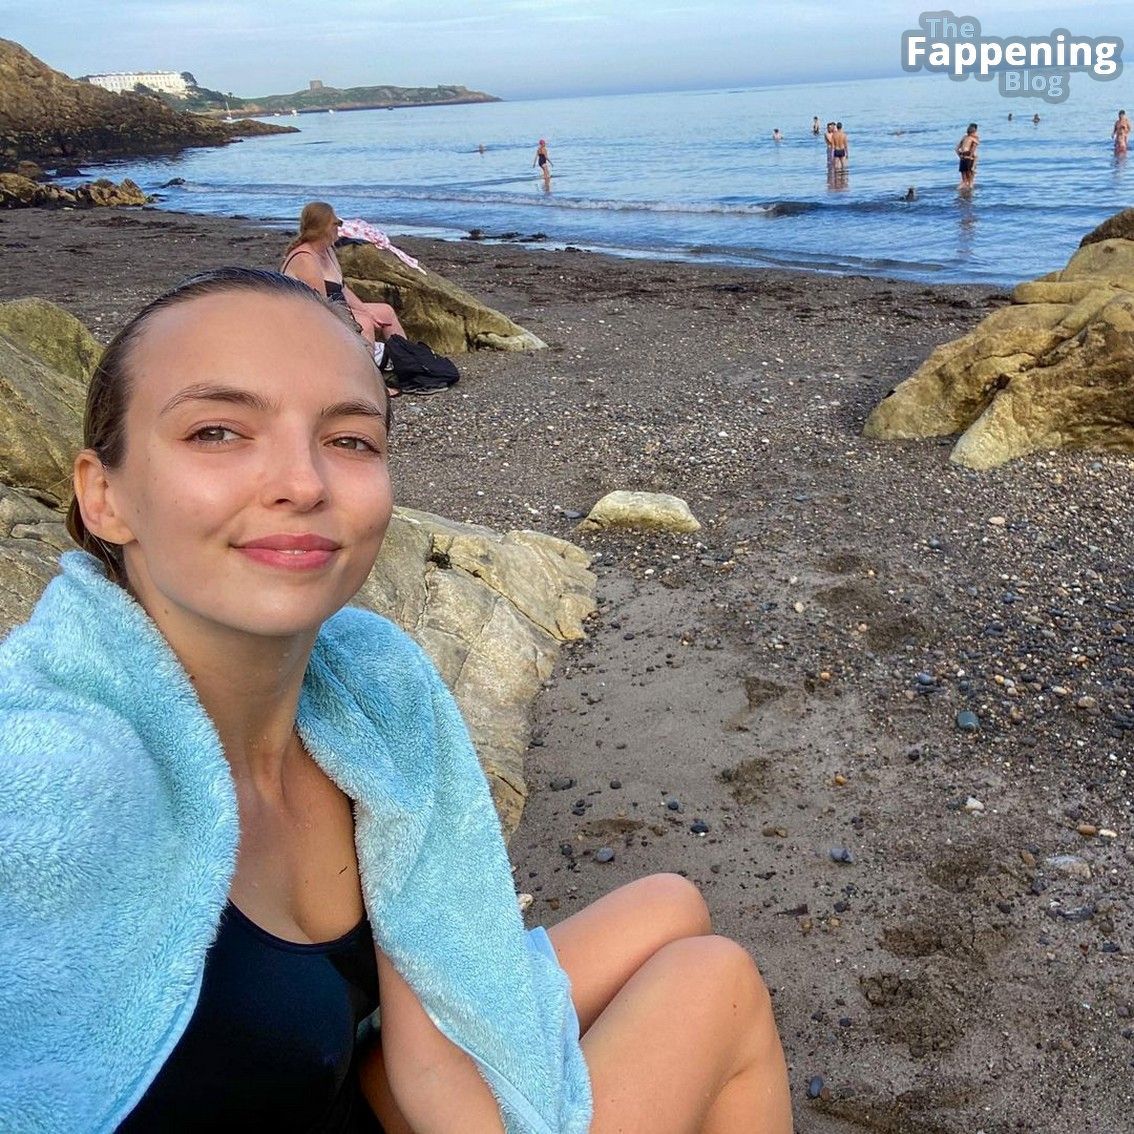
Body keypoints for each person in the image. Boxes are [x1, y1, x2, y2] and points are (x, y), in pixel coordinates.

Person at [0, 267, 794, 1133]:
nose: (303, 482)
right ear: (104, 495)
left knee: (673, 902)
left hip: (348, 1086)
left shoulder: (371, 692)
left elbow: (432, 1029)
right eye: (218, 431)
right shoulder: (48, 780)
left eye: (349, 439)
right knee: (714, 984)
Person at [282, 201, 407, 395]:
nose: (339, 228)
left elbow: (342, 288)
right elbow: (321, 307)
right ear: (324, 227)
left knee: (385, 312)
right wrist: (360, 316)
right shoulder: (306, 259)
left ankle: (407, 367)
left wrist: (364, 310)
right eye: (336, 223)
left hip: (335, 309)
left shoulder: (327, 251)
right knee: (364, 324)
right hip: (309, 318)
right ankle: (369, 386)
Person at [956, 122, 979, 189]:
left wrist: (960, 156)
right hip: (968, 156)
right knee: (971, 174)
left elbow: (956, 149)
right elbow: (973, 149)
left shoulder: (964, 137)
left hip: (962, 157)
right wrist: (970, 156)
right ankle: (970, 187)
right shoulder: (974, 139)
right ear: (974, 131)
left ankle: (963, 187)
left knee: (964, 176)